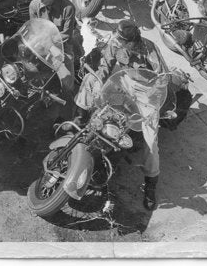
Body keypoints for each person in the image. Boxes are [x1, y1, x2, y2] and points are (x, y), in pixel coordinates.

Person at [72, 20, 192, 210]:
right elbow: (105, 66)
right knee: (89, 81)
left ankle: (151, 185)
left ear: (133, 41)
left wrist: (155, 105)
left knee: (151, 142)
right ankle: (77, 123)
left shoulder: (149, 49)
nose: (118, 44)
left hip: (147, 94)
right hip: (124, 83)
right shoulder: (115, 41)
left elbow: (162, 79)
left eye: (122, 42)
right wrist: (99, 85)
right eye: (117, 40)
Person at [29, 0, 79, 107]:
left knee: (67, 80)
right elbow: (34, 30)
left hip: (62, 47)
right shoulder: (34, 5)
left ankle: (68, 108)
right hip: (41, 44)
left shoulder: (67, 7)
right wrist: (48, 46)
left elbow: (66, 35)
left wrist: (52, 46)